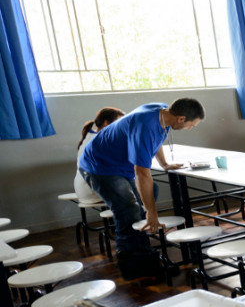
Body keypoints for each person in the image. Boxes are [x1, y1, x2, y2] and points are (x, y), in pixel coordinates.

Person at [80, 99, 204, 279]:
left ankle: (146, 259)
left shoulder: (162, 112)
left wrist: (164, 163)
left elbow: (155, 139)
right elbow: (142, 174)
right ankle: (131, 267)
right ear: (181, 118)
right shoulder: (146, 125)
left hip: (118, 163)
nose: (189, 128)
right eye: (191, 125)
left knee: (144, 200)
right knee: (128, 209)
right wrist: (151, 212)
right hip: (99, 166)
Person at [74, 107, 125, 204]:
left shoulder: (92, 135)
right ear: (106, 123)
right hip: (92, 191)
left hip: (83, 187)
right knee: (144, 188)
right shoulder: (101, 140)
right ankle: (139, 217)